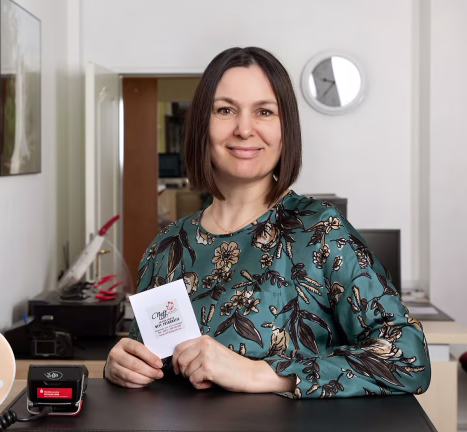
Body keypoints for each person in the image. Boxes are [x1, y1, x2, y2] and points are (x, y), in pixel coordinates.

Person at [104, 47, 431, 398]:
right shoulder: (167, 246)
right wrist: (122, 366)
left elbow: (409, 357)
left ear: (285, 128)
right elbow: (150, 367)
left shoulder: (319, 231)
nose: (245, 129)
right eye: (226, 110)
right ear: (202, 124)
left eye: (264, 111)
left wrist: (265, 375)